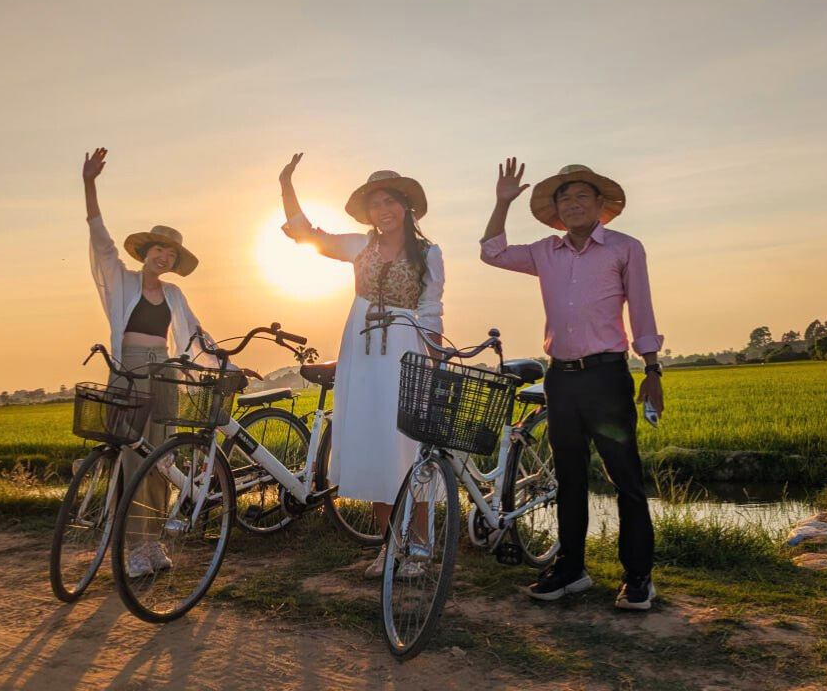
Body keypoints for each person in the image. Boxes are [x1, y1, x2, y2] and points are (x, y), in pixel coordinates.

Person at [480, 158, 664, 611]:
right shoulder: (545, 252)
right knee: (569, 478)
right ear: (556, 210)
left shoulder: (624, 249)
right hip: (560, 379)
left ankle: (638, 576)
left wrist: (653, 370)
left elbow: (641, 309)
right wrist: (502, 202)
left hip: (607, 377)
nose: (575, 202)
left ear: (601, 205)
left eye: (584, 195)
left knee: (626, 479)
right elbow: (492, 251)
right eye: (566, 197)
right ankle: (571, 568)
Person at [278, 153, 445, 579]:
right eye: (376, 205)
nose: (383, 211)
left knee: (409, 447)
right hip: (363, 351)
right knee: (374, 446)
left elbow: (431, 310)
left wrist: (435, 362)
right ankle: (390, 547)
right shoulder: (358, 246)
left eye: (390, 202)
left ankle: (421, 548)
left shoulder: (429, 253)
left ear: (405, 206)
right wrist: (286, 185)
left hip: (407, 351)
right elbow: (305, 233)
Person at [82, 147, 211, 578]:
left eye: (171, 255)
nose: (164, 258)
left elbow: (195, 334)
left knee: (161, 459)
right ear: (146, 252)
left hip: (166, 375)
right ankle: (133, 547)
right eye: (159, 250)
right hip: (132, 371)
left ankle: (152, 542)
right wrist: (90, 185)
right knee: (134, 459)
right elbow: (101, 242)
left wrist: (224, 363)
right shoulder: (123, 282)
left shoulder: (174, 295)